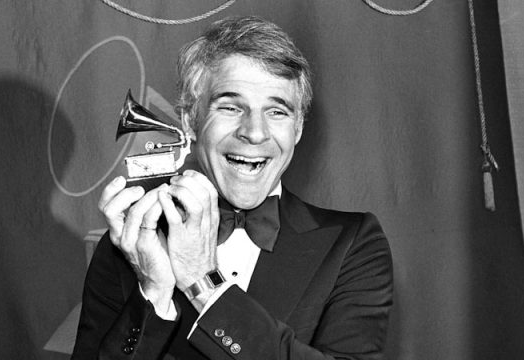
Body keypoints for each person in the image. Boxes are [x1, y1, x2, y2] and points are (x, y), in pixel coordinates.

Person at [72, 15, 393, 360]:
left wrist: (202, 282)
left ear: (298, 129)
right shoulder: (133, 242)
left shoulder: (352, 243)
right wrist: (154, 290)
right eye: (230, 107)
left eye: (277, 112)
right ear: (190, 121)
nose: (254, 133)